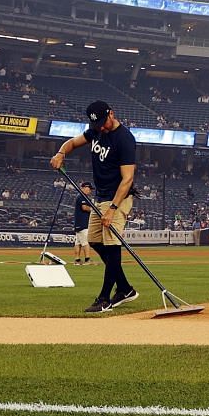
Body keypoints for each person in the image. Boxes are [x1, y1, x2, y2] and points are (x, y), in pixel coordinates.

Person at [51, 100, 139, 313]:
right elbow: (72, 143)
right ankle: (125, 288)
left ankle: (104, 298)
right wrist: (61, 153)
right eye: (96, 124)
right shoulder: (95, 131)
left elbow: (127, 179)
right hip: (100, 197)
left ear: (111, 113)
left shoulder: (125, 139)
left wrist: (113, 209)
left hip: (119, 197)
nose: (100, 127)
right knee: (94, 241)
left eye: (102, 122)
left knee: (112, 246)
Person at [71, 181, 95, 265]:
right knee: (86, 242)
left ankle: (77, 260)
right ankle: (87, 260)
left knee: (78, 243)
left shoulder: (81, 196)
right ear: (84, 188)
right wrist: (94, 210)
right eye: (89, 189)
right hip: (83, 223)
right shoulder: (82, 196)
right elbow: (84, 208)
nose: (90, 191)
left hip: (79, 223)